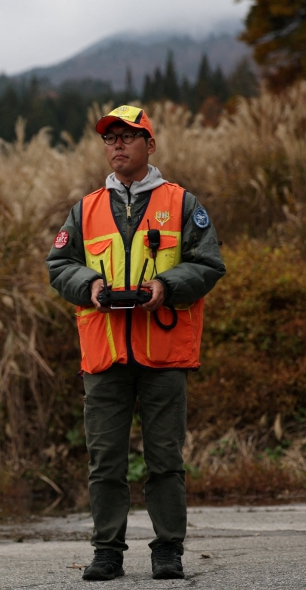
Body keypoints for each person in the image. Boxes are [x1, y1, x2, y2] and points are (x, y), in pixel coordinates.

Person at [46, 105, 225, 581]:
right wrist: (91, 287)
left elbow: (208, 264)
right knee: (105, 461)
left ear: (150, 144)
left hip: (163, 355)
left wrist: (166, 287)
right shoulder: (85, 209)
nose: (118, 145)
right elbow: (58, 265)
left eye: (128, 137)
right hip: (105, 355)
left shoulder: (182, 203)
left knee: (165, 459)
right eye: (111, 138)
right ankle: (108, 552)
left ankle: (168, 551)